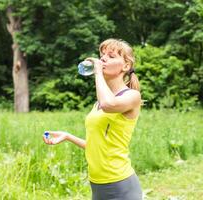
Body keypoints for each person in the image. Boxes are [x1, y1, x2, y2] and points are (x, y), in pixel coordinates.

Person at [43, 38, 142, 200]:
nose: (103, 59)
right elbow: (97, 145)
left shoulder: (131, 96)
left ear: (125, 66)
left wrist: (97, 72)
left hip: (121, 184)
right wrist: (68, 136)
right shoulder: (98, 103)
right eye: (102, 55)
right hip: (97, 184)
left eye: (110, 56)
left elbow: (108, 104)